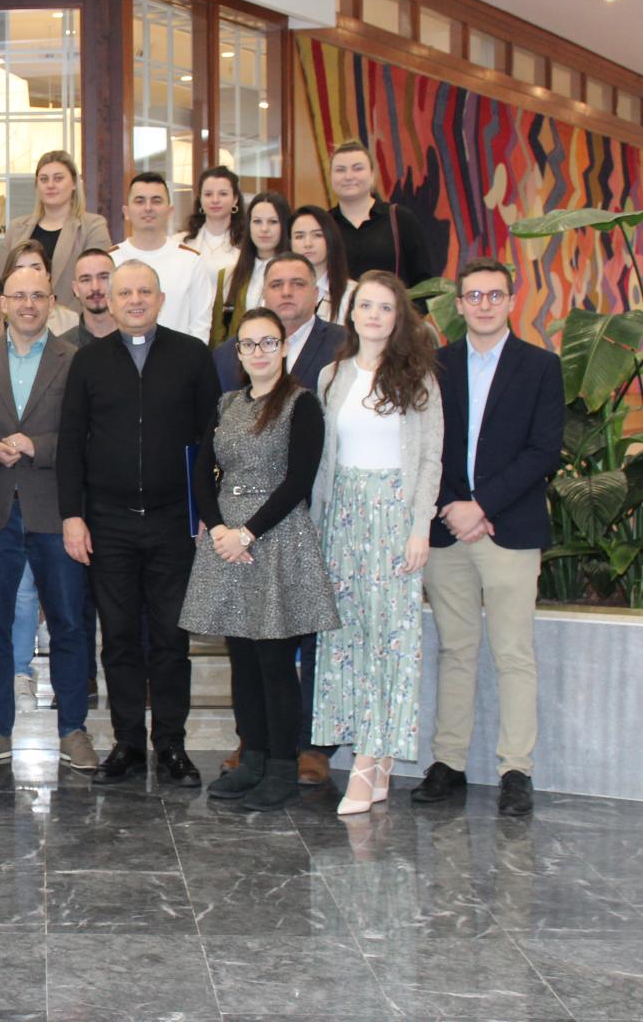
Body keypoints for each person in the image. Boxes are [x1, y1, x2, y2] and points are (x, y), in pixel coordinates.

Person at [57, 260, 220, 788]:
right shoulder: (88, 361)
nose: (133, 301)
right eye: (124, 292)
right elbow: (70, 443)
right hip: (109, 523)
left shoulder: (192, 356)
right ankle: (127, 742)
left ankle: (171, 743)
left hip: (174, 522)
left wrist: (208, 512)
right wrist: (72, 515)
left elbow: (212, 440)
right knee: (120, 637)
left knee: (171, 637)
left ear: (160, 298)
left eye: (143, 292)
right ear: (109, 300)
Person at [416, 257, 562, 817]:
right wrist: (456, 506)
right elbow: (428, 444)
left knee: (513, 652)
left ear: (511, 301)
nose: (483, 305)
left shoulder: (540, 367)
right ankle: (449, 762)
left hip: (509, 528)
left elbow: (543, 450)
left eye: (494, 295)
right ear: (458, 304)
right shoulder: (436, 366)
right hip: (449, 528)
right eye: (473, 296)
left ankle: (515, 770)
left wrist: (482, 505)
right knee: (455, 649)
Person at [181, 308, 339, 811]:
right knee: (243, 660)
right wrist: (219, 529)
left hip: (276, 539)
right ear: (238, 353)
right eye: (248, 344)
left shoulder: (301, 404)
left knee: (274, 661)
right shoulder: (227, 403)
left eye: (268, 342)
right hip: (226, 540)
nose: (258, 352)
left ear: (284, 348)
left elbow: (298, 481)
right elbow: (203, 469)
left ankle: (281, 768)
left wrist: (248, 533)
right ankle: (250, 759)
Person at [310, 272, 442, 816]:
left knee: (390, 641)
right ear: (352, 313)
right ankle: (378, 757)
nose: (373, 315)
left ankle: (366, 764)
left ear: (398, 317)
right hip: (342, 519)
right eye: (365, 305)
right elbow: (323, 460)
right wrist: (317, 526)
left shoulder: (417, 377)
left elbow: (430, 458)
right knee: (348, 641)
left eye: (385, 307)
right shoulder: (332, 374)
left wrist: (419, 528)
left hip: (393, 519)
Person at [0, 267, 97, 773]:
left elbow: (87, 434)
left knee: (68, 624)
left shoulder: (75, 361)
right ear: (2, 302)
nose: (28, 304)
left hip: (55, 510)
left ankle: (73, 730)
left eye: (38, 296)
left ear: (53, 302)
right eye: (18, 296)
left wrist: (38, 446)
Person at [214, 252, 348, 395]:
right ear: (263, 294)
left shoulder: (345, 344)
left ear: (316, 294)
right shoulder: (227, 354)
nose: (286, 292)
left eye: (298, 284)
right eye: (276, 285)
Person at [106, 172, 216, 344]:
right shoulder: (109, 260)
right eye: (140, 201)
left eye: (156, 201)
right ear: (126, 212)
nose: (148, 208)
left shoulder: (191, 261)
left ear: (170, 211)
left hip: (179, 358)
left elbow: (200, 326)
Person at [3, 150, 112, 311]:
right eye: (44, 179)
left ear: (74, 183)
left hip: (75, 320)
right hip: (24, 318)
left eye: (58, 178)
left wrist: (64, 319)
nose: (50, 185)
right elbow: (4, 281)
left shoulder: (93, 226)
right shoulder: (16, 228)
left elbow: (99, 283)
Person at [328, 139, 433, 289]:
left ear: (372, 174)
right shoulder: (322, 225)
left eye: (357, 168)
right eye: (340, 170)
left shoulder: (400, 219)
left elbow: (425, 284)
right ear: (331, 177)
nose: (349, 176)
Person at [215, 192, 292, 345]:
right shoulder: (228, 276)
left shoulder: (296, 275)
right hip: (240, 355)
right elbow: (218, 334)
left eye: (273, 222)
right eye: (257, 221)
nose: (264, 229)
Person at [172, 164, 245, 289]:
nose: (215, 200)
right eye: (208, 194)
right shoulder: (180, 242)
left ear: (235, 199)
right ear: (200, 199)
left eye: (223, 194)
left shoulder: (246, 243)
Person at [0, 239, 79, 337]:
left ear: (48, 275)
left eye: (36, 268)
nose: (29, 274)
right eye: (20, 269)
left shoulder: (70, 320)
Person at [291, 205, 355, 324]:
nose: (308, 243)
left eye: (317, 235)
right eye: (299, 236)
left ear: (330, 239)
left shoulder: (351, 293)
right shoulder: (280, 291)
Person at [61, 248, 117, 349]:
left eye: (103, 277)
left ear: (117, 282)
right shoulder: (62, 348)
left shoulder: (139, 339)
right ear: (75, 289)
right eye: (86, 280)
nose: (95, 287)